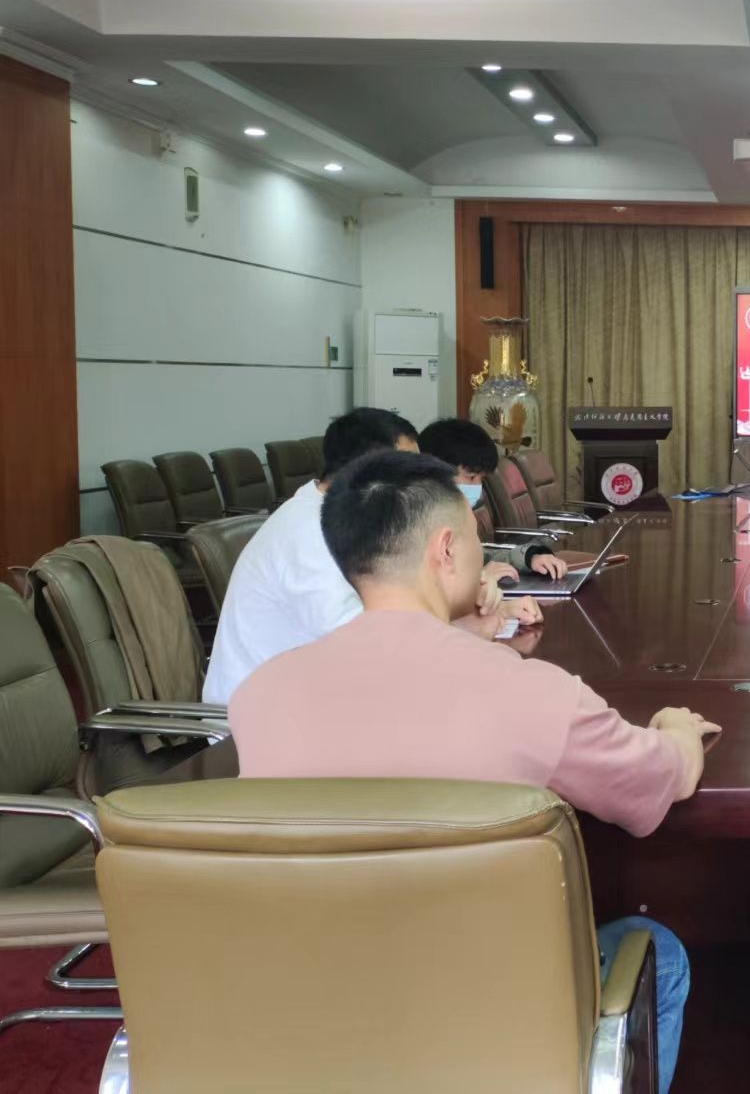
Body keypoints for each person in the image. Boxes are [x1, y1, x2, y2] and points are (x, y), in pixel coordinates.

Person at [229, 450, 719, 1093]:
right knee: (658, 950)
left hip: (312, 999)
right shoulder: (533, 695)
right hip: (484, 1006)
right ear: (445, 550)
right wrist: (678, 732)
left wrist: (465, 636)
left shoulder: (260, 694)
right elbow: (660, 783)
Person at [203, 408, 529, 705]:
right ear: (365, 469)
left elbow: (399, 608)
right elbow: (367, 644)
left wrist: (469, 599)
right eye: (406, 468)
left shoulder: (362, 517)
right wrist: (459, 630)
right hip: (259, 724)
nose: (420, 480)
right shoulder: (306, 531)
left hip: (329, 695)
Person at [418, 418, 572, 581]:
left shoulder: (454, 515)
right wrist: (478, 578)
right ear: (435, 473)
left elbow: (479, 556)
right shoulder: (413, 525)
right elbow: (424, 585)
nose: (477, 487)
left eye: (482, 479)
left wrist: (530, 558)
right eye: (471, 477)